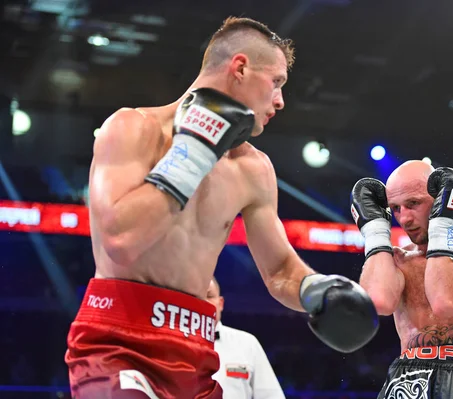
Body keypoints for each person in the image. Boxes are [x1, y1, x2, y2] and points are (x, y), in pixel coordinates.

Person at [65, 16, 378, 399]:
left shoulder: (253, 168)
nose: (280, 100)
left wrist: (317, 290)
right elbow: (120, 240)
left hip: (195, 353)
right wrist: (194, 151)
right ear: (240, 68)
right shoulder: (134, 128)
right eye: (276, 82)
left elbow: (280, 269)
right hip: (118, 343)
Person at [350, 160, 453, 398]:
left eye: (413, 204)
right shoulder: (398, 259)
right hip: (407, 380)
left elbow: (446, 302)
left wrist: (444, 226)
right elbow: (378, 303)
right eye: (395, 208)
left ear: (441, 199)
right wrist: (375, 234)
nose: (404, 218)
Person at [207, 277, 286, 399]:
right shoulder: (177, 343)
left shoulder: (247, 343)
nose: (204, 302)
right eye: (198, 298)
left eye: (209, 296)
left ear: (220, 303)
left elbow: (271, 396)